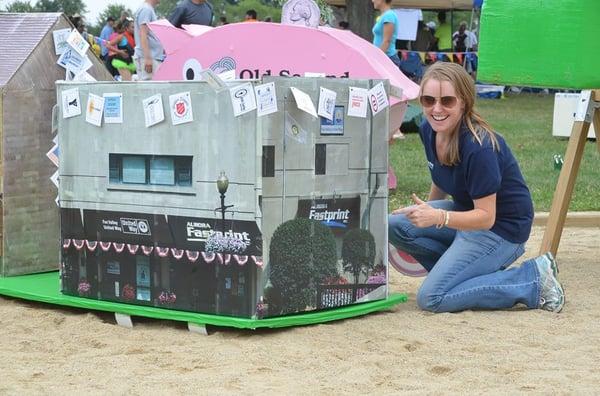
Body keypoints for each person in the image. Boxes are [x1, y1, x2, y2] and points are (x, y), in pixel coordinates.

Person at [388, 62, 565, 314]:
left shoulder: (479, 146)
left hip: (501, 230)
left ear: (464, 102)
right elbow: (440, 177)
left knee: (432, 298)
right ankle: (465, 276)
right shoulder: (429, 130)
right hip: (465, 217)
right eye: (428, 100)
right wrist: (426, 210)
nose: (436, 109)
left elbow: (486, 217)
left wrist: (438, 216)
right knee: (395, 225)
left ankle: (533, 279)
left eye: (447, 101)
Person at [134, 0, 164, 81]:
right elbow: (143, 34)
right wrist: (148, 58)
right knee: (148, 89)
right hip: (148, 57)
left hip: (152, 56)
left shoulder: (148, 9)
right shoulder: (146, 9)